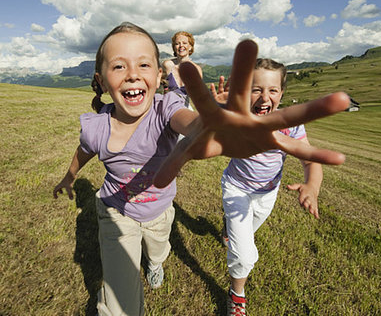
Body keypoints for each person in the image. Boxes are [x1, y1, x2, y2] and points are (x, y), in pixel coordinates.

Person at [53, 22, 349, 316]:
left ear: (158, 77)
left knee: (157, 250)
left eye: (143, 65)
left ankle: (155, 262)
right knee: (118, 299)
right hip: (115, 212)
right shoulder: (95, 128)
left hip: (160, 210)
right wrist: (69, 176)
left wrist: (210, 125)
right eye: (118, 67)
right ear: (101, 80)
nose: (132, 74)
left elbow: (189, 122)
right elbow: (85, 152)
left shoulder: (166, 108)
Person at [211, 59, 325, 316]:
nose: (264, 97)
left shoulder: (291, 123)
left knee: (244, 236)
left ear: (281, 93)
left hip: (267, 194)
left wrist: (312, 186)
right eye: (256, 89)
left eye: (272, 90)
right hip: (236, 188)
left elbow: (309, 158)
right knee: (244, 254)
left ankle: (229, 227)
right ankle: (237, 295)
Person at [163, 31, 202, 108]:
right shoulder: (167, 65)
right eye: (177, 44)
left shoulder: (196, 69)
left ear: (190, 47)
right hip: (167, 107)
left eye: (184, 43)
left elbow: (199, 97)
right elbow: (160, 84)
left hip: (185, 108)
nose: (181, 46)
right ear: (174, 48)